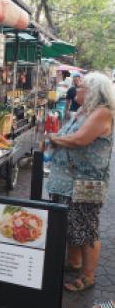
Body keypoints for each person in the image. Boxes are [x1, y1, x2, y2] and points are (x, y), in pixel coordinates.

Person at [47, 72, 115, 292]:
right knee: (71, 225)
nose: (77, 89)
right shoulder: (83, 112)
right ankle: (74, 263)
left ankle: (88, 276)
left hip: (85, 184)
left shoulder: (103, 112)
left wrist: (52, 139)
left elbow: (79, 140)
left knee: (86, 230)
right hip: (67, 183)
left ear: (94, 91)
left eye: (82, 87)